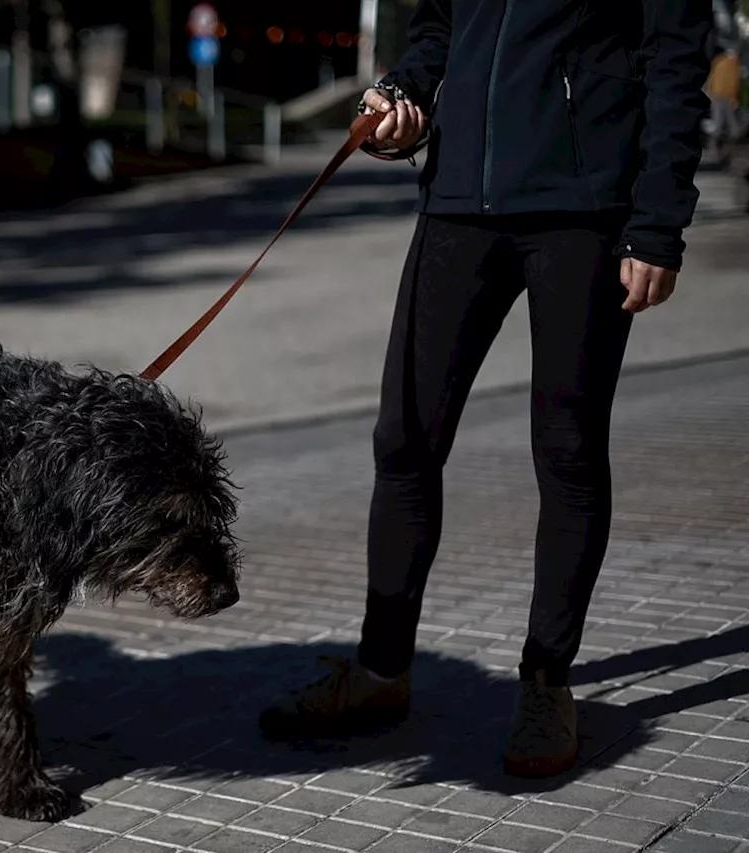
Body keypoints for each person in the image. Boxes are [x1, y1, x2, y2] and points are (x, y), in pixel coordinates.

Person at [259, 0, 714, 778]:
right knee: (404, 438)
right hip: (458, 205)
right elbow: (439, 30)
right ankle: (380, 672)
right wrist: (405, 94)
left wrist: (659, 221)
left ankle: (547, 680)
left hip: (586, 209)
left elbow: (676, 61)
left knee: (566, 451)